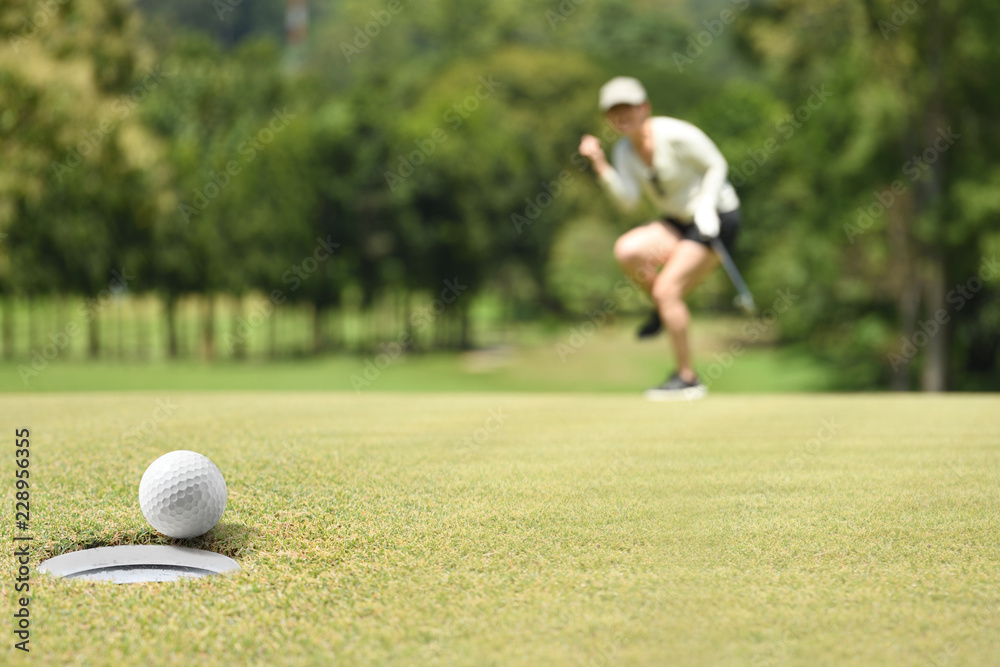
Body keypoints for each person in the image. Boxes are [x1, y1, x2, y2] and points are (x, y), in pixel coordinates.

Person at [578, 76, 741, 400]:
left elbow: (716, 164)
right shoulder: (624, 151)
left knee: (668, 290)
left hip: (717, 219)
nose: (621, 116)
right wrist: (599, 164)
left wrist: (707, 206)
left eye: (628, 108)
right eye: (613, 111)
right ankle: (664, 306)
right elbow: (628, 201)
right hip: (677, 220)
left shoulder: (676, 134)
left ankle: (688, 378)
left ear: (644, 108)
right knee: (627, 251)